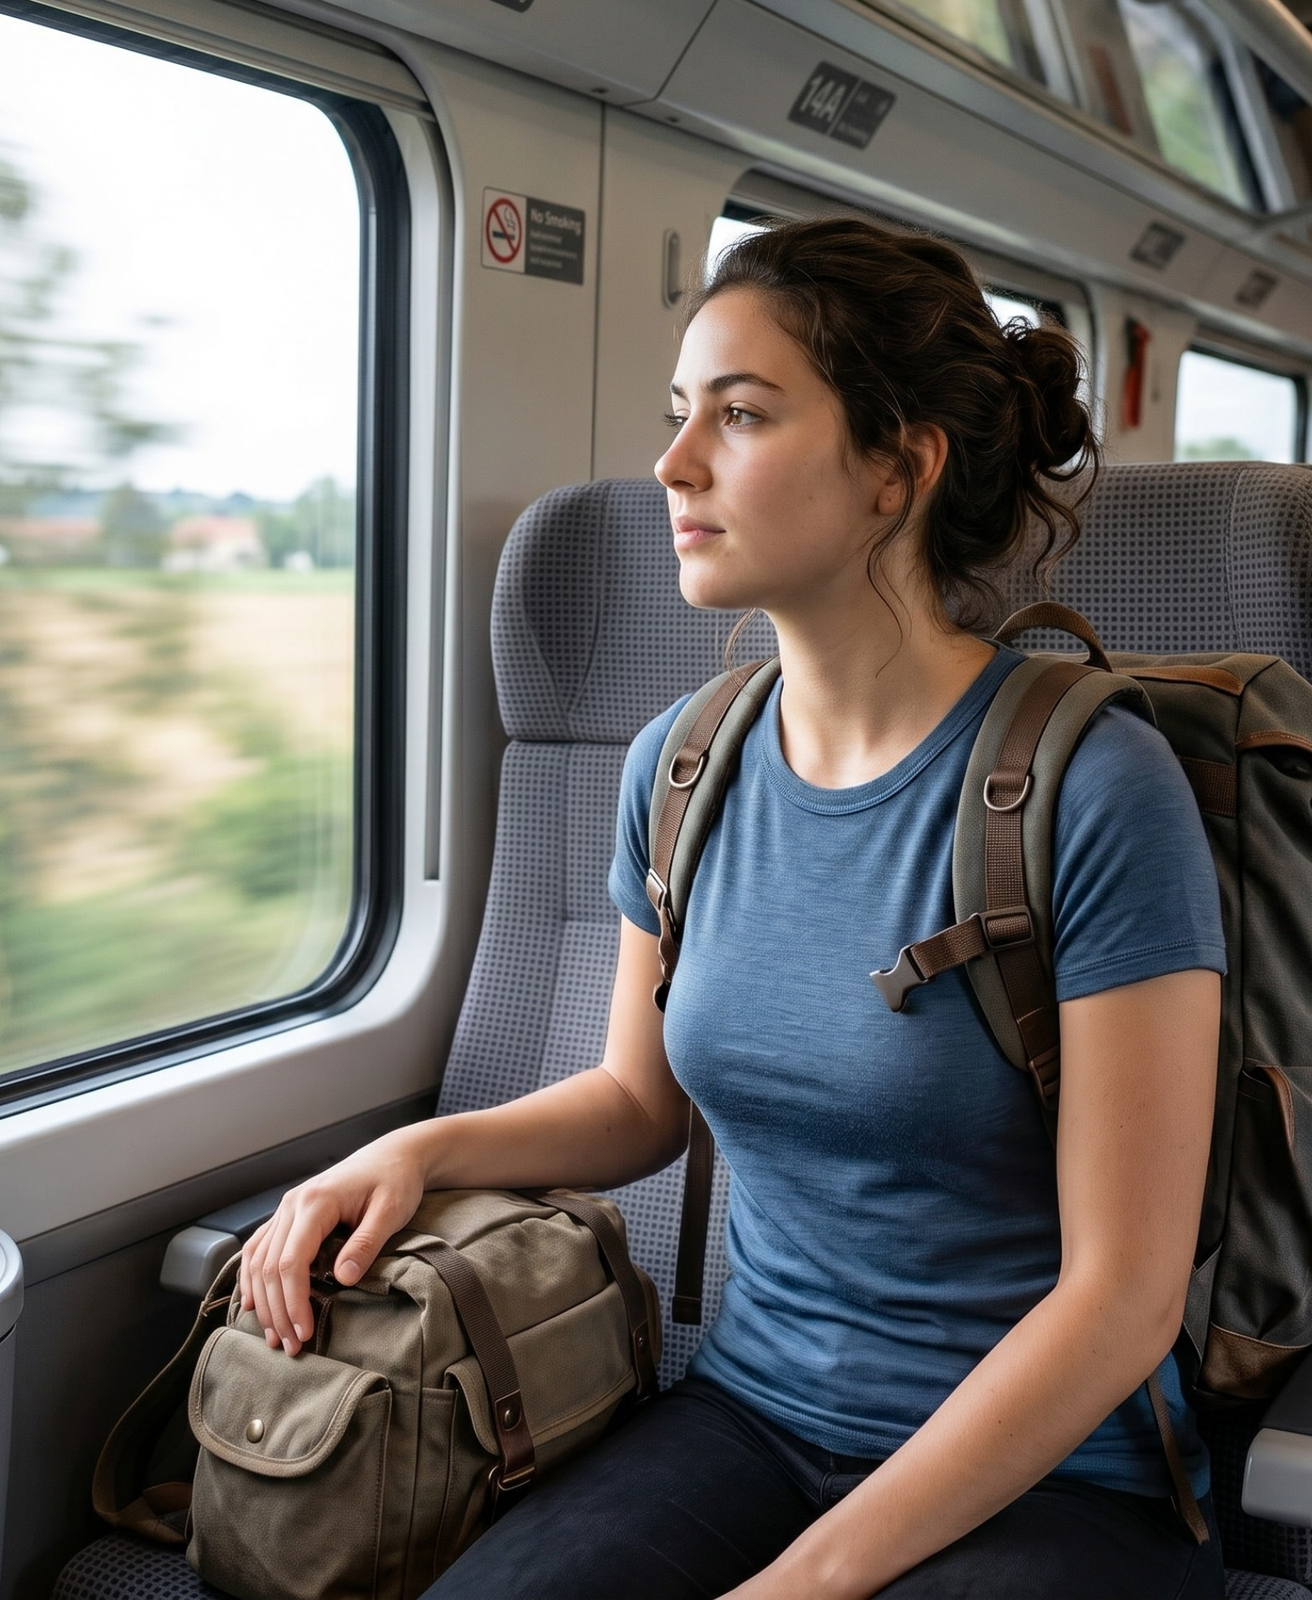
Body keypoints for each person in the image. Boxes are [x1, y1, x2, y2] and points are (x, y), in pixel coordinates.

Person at [240, 217, 1227, 1599]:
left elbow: (1125, 1301)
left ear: (900, 467)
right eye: (677, 412)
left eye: (743, 415)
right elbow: (638, 1107)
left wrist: (808, 1581)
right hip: (753, 1417)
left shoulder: (1093, 786)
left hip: (1051, 1476)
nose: (674, 462)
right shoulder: (682, 766)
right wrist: (420, 1152)